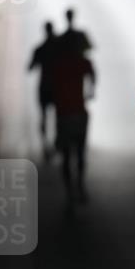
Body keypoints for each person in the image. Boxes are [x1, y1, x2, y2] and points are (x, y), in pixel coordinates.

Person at [52, 35, 96, 204]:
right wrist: (90, 91)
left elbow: (51, 86)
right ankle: (79, 186)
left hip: (63, 114)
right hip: (79, 112)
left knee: (66, 155)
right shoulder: (82, 62)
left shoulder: (58, 64)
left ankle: (69, 191)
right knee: (80, 152)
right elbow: (92, 73)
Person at [27, 21, 58, 159]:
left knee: (43, 116)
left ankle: (46, 144)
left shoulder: (40, 49)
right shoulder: (60, 48)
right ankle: (58, 142)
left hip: (44, 86)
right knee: (59, 115)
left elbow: (30, 67)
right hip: (57, 87)